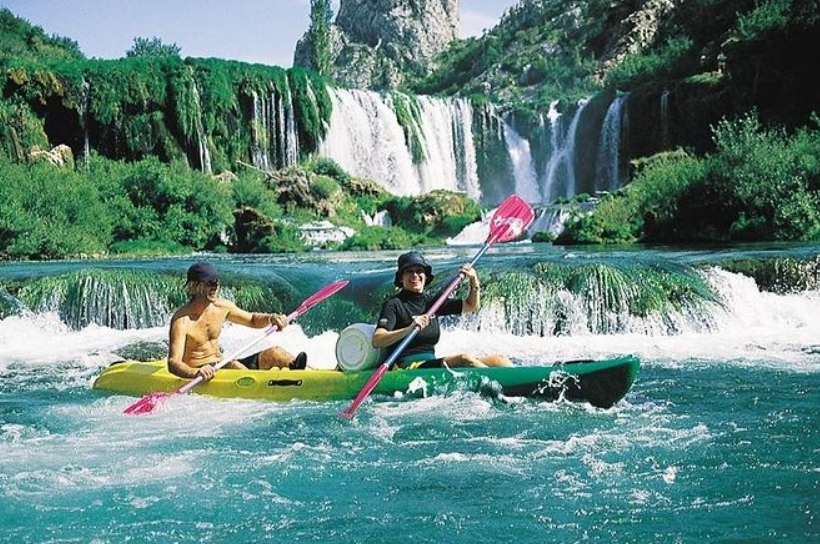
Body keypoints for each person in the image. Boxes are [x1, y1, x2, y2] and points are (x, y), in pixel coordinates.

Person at [167, 262, 307, 382]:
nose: (215, 287)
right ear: (195, 286)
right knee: (232, 365)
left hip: (222, 366)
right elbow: (173, 362)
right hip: (203, 374)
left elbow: (252, 320)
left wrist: (271, 318)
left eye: (216, 282)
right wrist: (195, 373)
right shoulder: (181, 320)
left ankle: (309, 374)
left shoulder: (222, 307)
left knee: (276, 353)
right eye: (210, 283)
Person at [372, 251, 512, 369]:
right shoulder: (394, 304)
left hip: (431, 362)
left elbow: (471, 306)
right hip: (408, 366)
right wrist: (409, 329)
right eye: (409, 271)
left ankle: (526, 383)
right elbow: (377, 340)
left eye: (419, 271)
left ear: (425, 277)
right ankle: (502, 384)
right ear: (401, 278)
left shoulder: (433, 303)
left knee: (499, 359)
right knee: (464, 359)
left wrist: (473, 281)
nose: (415, 275)